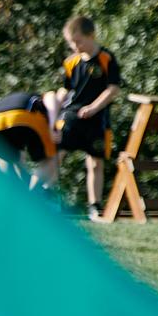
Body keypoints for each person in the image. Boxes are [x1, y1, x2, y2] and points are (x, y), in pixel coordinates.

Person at [48, 15, 121, 221]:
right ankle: (46, 197)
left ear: (91, 36)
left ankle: (95, 207)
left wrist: (93, 107)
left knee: (95, 163)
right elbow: (65, 90)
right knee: (55, 154)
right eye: (71, 43)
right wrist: (54, 109)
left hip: (97, 119)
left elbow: (113, 89)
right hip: (71, 117)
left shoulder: (106, 58)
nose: (75, 46)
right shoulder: (71, 62)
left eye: (78, 41)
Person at [0, 89, 59, 191]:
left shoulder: (17, 96)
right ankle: (32, 195)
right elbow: (51, 96)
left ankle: (12, 193)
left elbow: (20, 161)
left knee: (7, 159)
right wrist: (52, 125)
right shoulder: (46, 96)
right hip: (24, 113)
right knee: (48, 160)